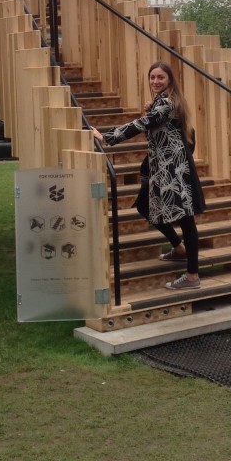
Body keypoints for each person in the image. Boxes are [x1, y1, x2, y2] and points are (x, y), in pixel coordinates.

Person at [91, 61, 205, 291]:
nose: (155, 81)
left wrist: (107, 136)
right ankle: (179, 248)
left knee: (186, 220)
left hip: (173, 168)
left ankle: (192, 276)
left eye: (160, 77)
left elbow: (143, 124)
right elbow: (159, 124)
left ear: (170, 80)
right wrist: (151, 109)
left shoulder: (166, 102)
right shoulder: (166, 101)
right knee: (147, 206)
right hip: (163, 166)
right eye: (152, 77)